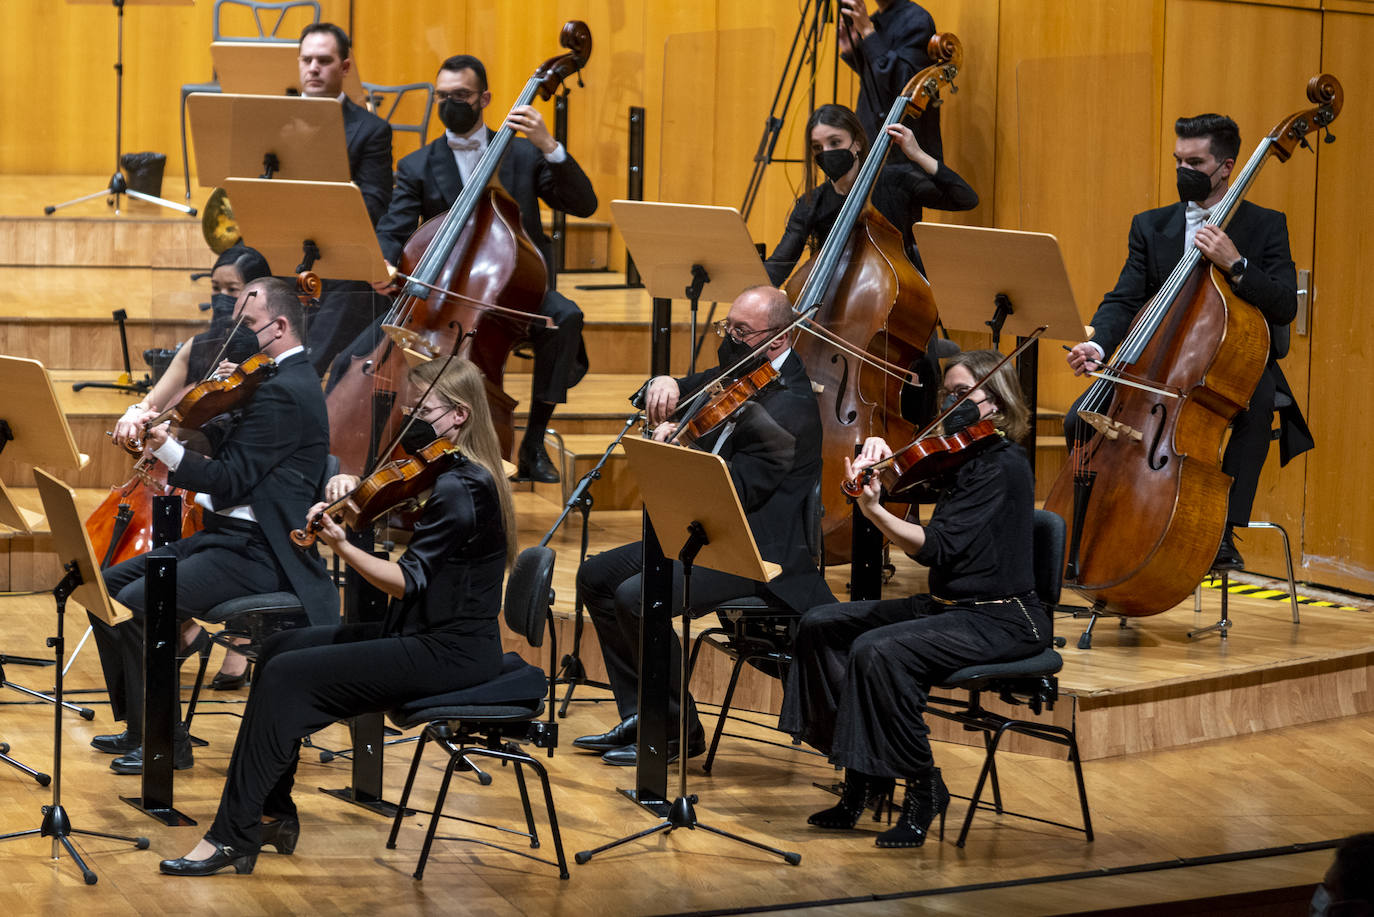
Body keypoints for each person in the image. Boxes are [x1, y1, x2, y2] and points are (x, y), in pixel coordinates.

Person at [158, 357, 515, 877]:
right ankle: (270, 813)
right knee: (278, 649)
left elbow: (406, 580)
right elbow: (390, 503)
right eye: (410, 408)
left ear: (459, 415)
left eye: (423, 410)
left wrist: (341, 545)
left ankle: (232, 834)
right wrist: (350, 489)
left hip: (449, 652)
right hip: (421, 634)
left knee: (287, 673)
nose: (411, 420)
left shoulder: (463, 487)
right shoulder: (454, 473)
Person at [780, 349, 1048, 848]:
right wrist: (880, 458)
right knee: (821, 624)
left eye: (963, 393)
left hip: (1001, 618)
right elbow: (910, 480)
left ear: (996, 401)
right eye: (948, 393)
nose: (951, 403)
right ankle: (863, 771)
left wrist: (875, 512)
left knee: (879, 651)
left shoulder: (1002, 466)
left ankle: (923, 786)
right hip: (949, 608)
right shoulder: (964, 455)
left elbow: (935, 548)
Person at [572, 285, 835, 766]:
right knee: (595, 577)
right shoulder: (739, 372)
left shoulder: (793, 406)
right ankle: (643, 714)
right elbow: (674, 391)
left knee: (636, 596)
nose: (728, 338)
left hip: (755, 552)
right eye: (726, 326)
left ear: (778, 339)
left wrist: (685, 449)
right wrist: (662, 382)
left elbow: (736, 493)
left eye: (741, 330)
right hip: (707, 536)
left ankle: (674, 731)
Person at [89, 277, 337, 774]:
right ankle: (143, 726)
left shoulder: (287, 390)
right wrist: (174, 420)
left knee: (141, 601)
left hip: (262, 551)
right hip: (225, 539)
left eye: (248, 323)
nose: (238, 333)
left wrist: (165, 447)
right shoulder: (264, 380)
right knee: (105, 589)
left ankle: (166, 741)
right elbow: (229, 449)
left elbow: (231, 478)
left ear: (279, 326)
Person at [1064, 113, 1314, 570]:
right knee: (1075, 419)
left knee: (1257, 406)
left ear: (1226, 166)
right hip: (1157, 359)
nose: (1183, 170)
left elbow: (1283, 305)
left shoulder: (1264, 225)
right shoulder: (1150, 225)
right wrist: (1097, 346)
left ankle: (1220, 531)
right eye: (1178, 160)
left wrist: (1236, 264)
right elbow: (1124, 298)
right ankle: (1093, 525)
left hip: (1232, 360)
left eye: (1195, 162)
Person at [366, 53, 599, 483]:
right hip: (451, 290)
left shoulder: (523, 154)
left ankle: (534, 442)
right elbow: (394, 228)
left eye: (461, 95)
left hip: (517, 288)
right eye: (442, 96)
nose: (450, 104)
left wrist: (550, 146)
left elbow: (584, 205)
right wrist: (382, 259)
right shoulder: (418, 165)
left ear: (484, 99)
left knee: (566, 316)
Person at [112, 242, 274, 691]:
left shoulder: (269, 364)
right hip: (188, 469)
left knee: (215, 546)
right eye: (216, 288)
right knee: (131, 579)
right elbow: (153, 402)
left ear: (256, 294)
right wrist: (136, 414)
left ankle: (239, 638)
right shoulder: (199, 346)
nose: (222, 299)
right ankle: (188, 634)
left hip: (230, 485)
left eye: (232, 291)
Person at [765, 102, 975, 423]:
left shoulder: (894, 182)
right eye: (818, 147)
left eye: (835, 142)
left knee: (921, 374)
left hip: (898, 317)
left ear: (857, 143)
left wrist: (917, 154)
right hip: (836, 324)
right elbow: (780, 264)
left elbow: (965, 198)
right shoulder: (812, 203)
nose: (826, 152)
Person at [295, 22, 395, 373]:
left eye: (324, 60)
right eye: (307, 60)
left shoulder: (371, 130)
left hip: (338, 250)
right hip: (282, 241)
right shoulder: (275, 118)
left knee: (349, 283)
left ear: (345, 67)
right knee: (235, 266)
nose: (313, 68)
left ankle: (303, 379)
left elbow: (374, 201)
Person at [837, 0, 942, 162]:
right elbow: (878, 82)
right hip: (873, 141)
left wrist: (868, 32)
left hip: (903, 154)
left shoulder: (916, 20)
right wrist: (852, 51)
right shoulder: (875, 20)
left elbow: (906, 86)